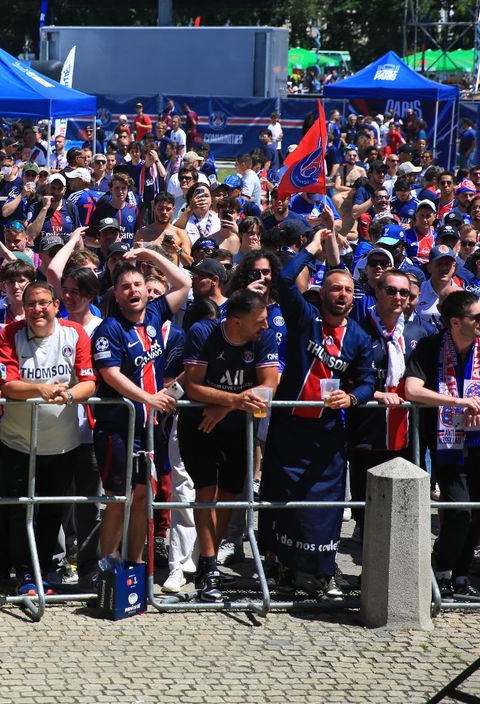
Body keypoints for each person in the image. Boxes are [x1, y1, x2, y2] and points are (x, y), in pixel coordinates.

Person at [260, 228, 375, 599]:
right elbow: (283, 278)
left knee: (324, 507)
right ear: (322, 291)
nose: (341, 295)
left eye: (346, 290)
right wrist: (312, 245)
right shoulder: (303, 317)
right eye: (334, 288)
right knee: (280, 498)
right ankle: (279, 565)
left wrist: (353, 397)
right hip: (289, 427)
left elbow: (368, 380)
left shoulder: (358, 336)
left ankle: (322, 569)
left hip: (327, 434)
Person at [403, 290, 480, 600]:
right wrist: (456, 402)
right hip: (444, 441)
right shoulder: (430, 346)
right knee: (460, 508)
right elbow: (412, 389)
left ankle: (462, 575)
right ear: (455, 322)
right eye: (477, 316)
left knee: (477, 510)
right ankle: (441, 565)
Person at [0, 281, 97, 594]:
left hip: (63, 444)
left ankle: (46, 569)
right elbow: (8, 385)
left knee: (51, 512)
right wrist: (41, 389)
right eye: (31, 304)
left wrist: (67, 395)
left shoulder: (74, 333)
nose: (38, 309)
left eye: (43, 303)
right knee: (21, 509)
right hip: (17, 442)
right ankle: (24, 573)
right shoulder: (9, 334)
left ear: (55, 304)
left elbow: (88, 382)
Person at [90, 247, 192, 572]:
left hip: (149, 430)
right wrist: (149, 398)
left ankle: (133, 568)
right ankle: (106, 568)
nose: (134, 291)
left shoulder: (156, 314)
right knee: (119, 501)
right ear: (116, 295)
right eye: (126, 287)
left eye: (138, 285)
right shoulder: (109, 328)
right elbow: (110, 374)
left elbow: (184, 284)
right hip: (118, 430)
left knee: (142, 501)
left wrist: (150, 253)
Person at [179, 289, 280, 602]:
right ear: (236, 322)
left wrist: (228, 405)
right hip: (199, 423)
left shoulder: (264, 337)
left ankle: (208, 559)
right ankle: (208, 566)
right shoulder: (202, 332)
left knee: (229, 493)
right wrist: (235, 399)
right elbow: (193, 386)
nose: (265, 326)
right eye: (259, 321)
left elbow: (269, 385)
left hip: (238, 424)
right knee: (206, 491)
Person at [347, 269, 435, 542]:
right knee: (367, 507)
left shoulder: (419, 332)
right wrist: (375, 394)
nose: (398, 297)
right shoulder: (357, 329)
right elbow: (343, 378)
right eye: (391, 291)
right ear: (377, 292)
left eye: (404, 292)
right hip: (366, 430)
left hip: (407, 431)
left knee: (403, 509)